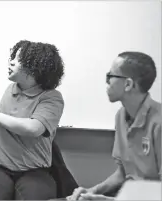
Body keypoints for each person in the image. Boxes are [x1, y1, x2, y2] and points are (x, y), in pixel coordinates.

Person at [0, 40, 67, 200]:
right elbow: (7, 127)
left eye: (18, 59)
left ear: (35, 67)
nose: (11, 61)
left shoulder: (52, 97)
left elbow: (33, 129)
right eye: (12, 57)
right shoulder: (10, 89)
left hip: (34, 170)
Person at [67, 51, 161, 201]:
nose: (107, 82)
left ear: (128, 84)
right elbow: (123, 173)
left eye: (110, 76)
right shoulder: (121, 116)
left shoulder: (158, 123)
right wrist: (91, 192)